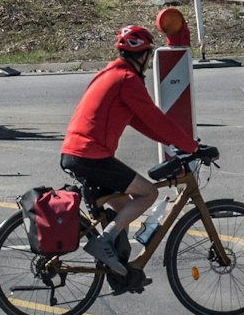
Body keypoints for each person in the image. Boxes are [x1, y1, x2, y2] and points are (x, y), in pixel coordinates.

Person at [61, 25, 215, 291]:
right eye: (148, 55)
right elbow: (155, 118)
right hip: (90, 156)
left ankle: (121, 274)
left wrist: (174, 143)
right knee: (148, 193)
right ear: (142, 56)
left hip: (78, 154)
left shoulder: (111, 73)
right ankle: (103, 242)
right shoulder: (127, 80)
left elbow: (141, 122)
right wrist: (191, 146)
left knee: (123, 208)